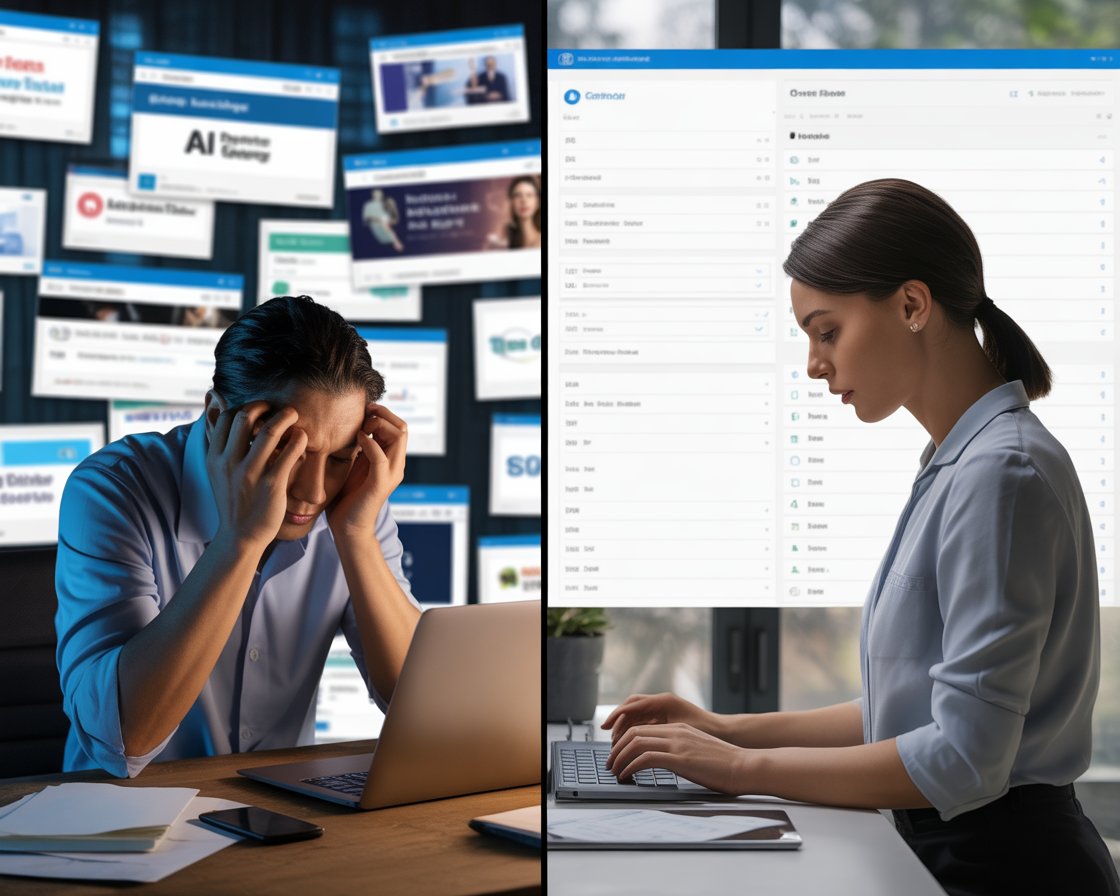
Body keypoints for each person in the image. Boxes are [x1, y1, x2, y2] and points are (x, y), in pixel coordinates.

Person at [603, 180, 1120, 896]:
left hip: (1004, 869)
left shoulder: (1001, 474)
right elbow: (906, 711)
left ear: (912, 305)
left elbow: (963, 760)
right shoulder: (961, 463)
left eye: (826, 331)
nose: (816, 364)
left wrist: (738, 770)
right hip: (960, 850)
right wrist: (727, 730)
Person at [56, 295, 422, 777]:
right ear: (217, 420)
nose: (313, 492)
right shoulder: (111, 488)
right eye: (287, 451)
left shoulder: (353, 503)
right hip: (118, 822)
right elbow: (125, 740)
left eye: (337, 459)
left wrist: (356, 535)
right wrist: (240, 541)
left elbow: (415, 704)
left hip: (278, 814)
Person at [487, 176, 541, 250]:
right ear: (511, 202)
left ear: (537, 203)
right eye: (517, 195)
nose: (524, 200)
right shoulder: (507, 241)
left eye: (529, 195)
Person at [362, 188, 404, 253]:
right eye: (375, 193)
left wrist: (390, 221)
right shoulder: (368, 205)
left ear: (382, 194)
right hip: (375, 232)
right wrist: (378, 220)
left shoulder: (387, 203)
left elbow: (395, 219)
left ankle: (396, 243)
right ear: (372, 194)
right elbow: (366, 220)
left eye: (379, 193)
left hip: (388, 229)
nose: (377, 195)